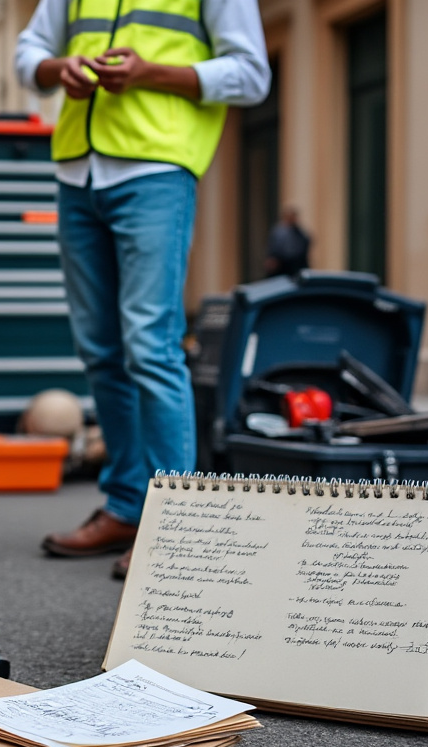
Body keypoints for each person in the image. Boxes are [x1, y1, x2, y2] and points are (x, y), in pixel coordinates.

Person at [16, 1, 269, 577]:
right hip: (78, 174)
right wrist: (61, 70)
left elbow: (252, 74)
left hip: (156, 170)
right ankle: (128, 507)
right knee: (101, 351)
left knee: (150, 346)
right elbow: (26, 53)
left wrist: (151, 73)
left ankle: (175, 526)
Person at [265, 206, 311, 278]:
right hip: (281, 267)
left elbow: (305, 243)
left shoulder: (299, 233)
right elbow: (274, 248)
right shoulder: (279, 232)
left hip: (296, 267)